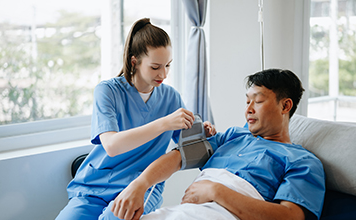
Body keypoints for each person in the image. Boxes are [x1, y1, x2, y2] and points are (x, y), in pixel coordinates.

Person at [56, 18, 216, 220]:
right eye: (155, 67)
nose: (164, 74)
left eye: (168, 65)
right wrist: (164, 123)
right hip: (95, 186)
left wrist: (203, 131)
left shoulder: (171, 97)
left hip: (141, 185)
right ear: (135, 62)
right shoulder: (107, 91)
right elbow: (112, 146)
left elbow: (188, 144)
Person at [113, 69, 326, 220]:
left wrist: (216, 191)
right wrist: (140, 185)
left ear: (285, 105)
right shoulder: (232, 136)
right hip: (184, 212)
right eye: (247, 101)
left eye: (258, 101)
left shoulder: (302, 161)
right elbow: (178, 157)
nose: (249, 109)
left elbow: (290, 217)